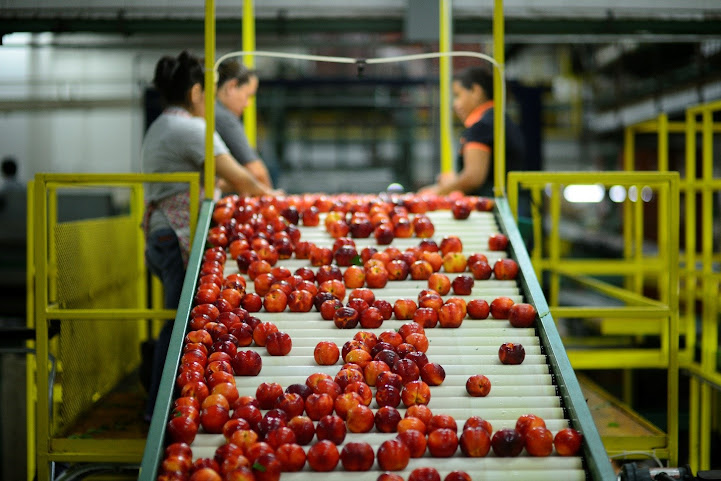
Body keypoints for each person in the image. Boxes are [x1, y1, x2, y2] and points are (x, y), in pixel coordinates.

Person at [141, 50, 275, 421]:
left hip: (160, 235)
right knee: (181, 326)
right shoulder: (192, 129)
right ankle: (158, 412)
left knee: (176, 322)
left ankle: (159, 407)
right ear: (197, 92)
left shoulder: (161, 124)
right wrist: (275, 199)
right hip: (175, 236)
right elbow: (243, 179)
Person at [419, 66, 526, 198]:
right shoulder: (499, 119)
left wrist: (435, 192)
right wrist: (456, 180)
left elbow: (473, 178)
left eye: (458, 95)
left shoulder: (482, 127)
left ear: (476, 91)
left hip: (494, 208)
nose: (455, 104)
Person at [215, 59, 273, 188]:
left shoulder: (210, 111)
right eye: (248, 96)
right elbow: (257, 172)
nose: (248, 104)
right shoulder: (223, 118)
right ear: (231, 87)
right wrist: (271, 200)